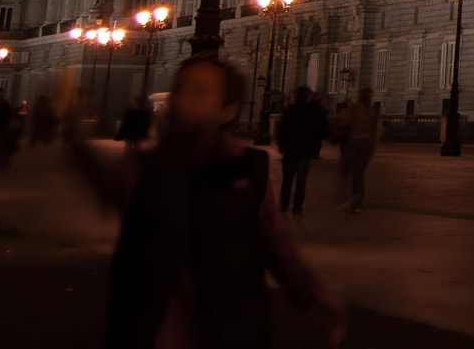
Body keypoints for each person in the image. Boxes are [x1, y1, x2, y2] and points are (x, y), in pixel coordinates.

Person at [69, 55, 345, 348]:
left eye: (198, 92)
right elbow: (105, 181)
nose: (181, 100)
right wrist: (76, 138)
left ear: (227, 110)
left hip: (227, 327)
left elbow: (274, 242)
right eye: (179, 89)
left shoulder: (248, 173)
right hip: (152, 329)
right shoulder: (145, 167)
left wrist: (310, 294)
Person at [275, 85, 330, 216]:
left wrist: (281, 144)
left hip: (290, 149)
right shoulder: (313, 111)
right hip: (305, 150)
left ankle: (284, 204)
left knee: (287, 179)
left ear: (296, 96)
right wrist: (313, 142)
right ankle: (297, 207)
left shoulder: (291, 110)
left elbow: (283, 129)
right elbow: (322, 130)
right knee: (301, 180)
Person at [338, 88, 380, 214]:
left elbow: (346, 124)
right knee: (359, 175)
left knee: (353, 172)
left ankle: (351, 198)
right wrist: (371, 149)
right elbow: (374, 131)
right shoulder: (373, 111)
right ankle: (358, 203)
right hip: (366, 144)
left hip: (355, 143)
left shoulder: (355, 109)